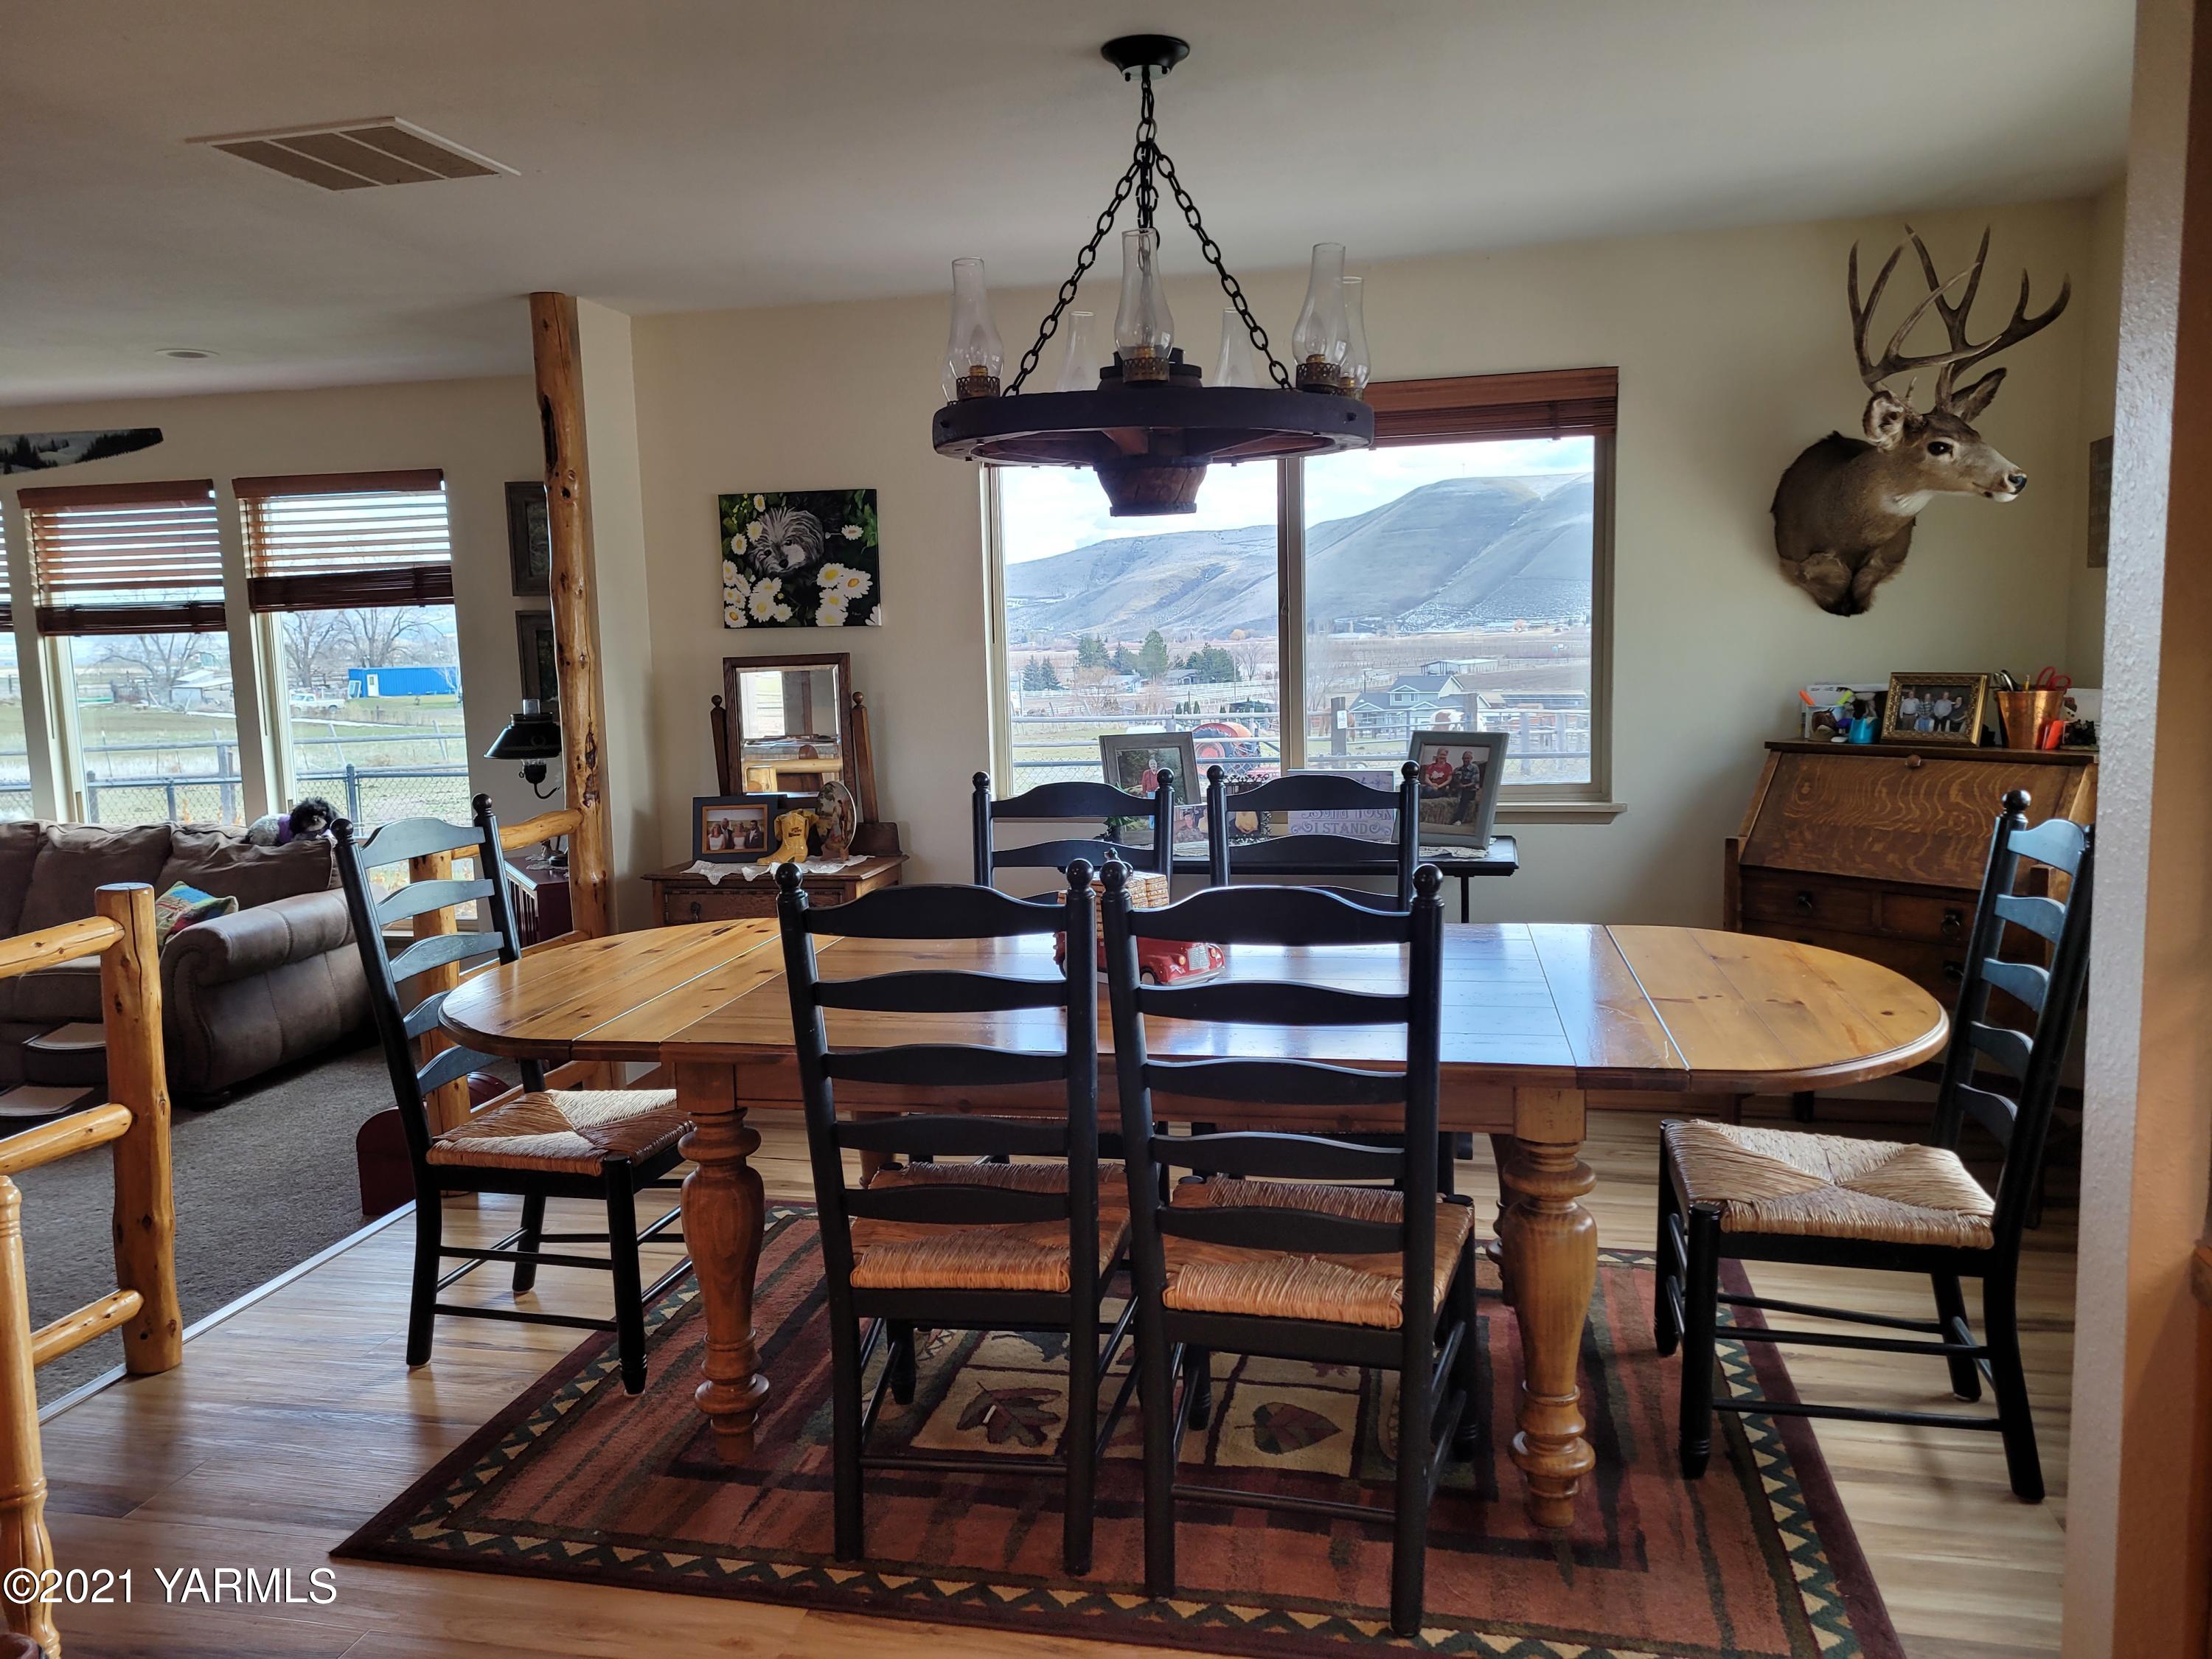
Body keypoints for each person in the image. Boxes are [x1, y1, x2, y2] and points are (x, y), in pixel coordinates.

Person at [246, 796, 336, 847]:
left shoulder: (327, 831)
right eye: (308, 817)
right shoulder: (301, 835)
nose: (315, 820)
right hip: (264, 828)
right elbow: (297, 844)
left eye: (321, 815)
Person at [1450, 750, 1486, 824]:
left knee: (1464, 799)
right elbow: (1454, 779)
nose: (1466, 760)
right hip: (1460, 789)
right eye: (1464, 758)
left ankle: (1458, 820)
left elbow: (1474, 782)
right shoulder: (1459, 769)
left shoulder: (1474, 768)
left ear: (1471, 759)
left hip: (1470, 790)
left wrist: (1464, 786)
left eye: (1468, 758)